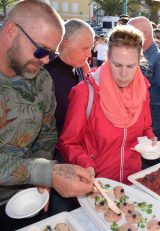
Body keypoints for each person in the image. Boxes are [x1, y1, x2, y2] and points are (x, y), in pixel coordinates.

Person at [0, 1, 93, 230]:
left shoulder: (42, 80)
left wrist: (45, 176)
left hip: (27, 200)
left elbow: (47, 132)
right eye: (41, 50)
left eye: (51, 53)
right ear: (11, 31)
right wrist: (47, 173)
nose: (45, 60)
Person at [57, 25, 156, 185]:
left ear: (139, 60)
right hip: (96, 184)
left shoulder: (142, 89)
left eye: (131, 66)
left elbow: (146, 127)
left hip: (132, 181)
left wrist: (150, 139)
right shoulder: (85, 92)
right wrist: (85, 163)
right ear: (108, 57)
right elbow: (68, 142)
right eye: (117, 65)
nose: (124, 74)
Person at [128, 17, 160, 168]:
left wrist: (133, 92)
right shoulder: (138, 55)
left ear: (144, 35)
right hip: (136, 123)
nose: (126, 38)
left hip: (151, 125)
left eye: (130, 34)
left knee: (148, 167)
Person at [45, 19, 94, 135]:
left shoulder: (79, 67)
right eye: (85, 48)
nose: (89, 54)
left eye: (91, 48)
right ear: (66, 44)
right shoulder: (46, 74)